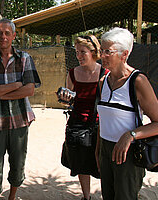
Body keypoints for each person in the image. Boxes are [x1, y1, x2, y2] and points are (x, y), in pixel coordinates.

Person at [96, 27, 158, 200]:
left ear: (124, 54)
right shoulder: (102, 81)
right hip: (106, 151)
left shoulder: (137, 81)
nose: (102, 56)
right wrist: (98, 151)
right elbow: (102, 121)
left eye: (108, 51)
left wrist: (130, 135)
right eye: (101, 50)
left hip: (127, 154)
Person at [0, 18, 41, 200]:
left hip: (20, 121)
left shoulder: (25, 58)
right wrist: (16, 85)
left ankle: (11, 198)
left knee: (17, 164)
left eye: (7, 33)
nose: (3, 36)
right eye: (0, 33)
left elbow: (29, 89)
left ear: (14, 35)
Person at [58, 35, 105, 200]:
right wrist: (65, 100)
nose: (78, 56)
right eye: (77, 52)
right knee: (82, 164)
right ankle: (87, 197)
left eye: (82, 52)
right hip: (77, 125)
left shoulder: (104, 73)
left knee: (101, 163)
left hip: (100, 126)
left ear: (93, 52)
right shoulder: (73, 73)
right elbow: (68, 101)